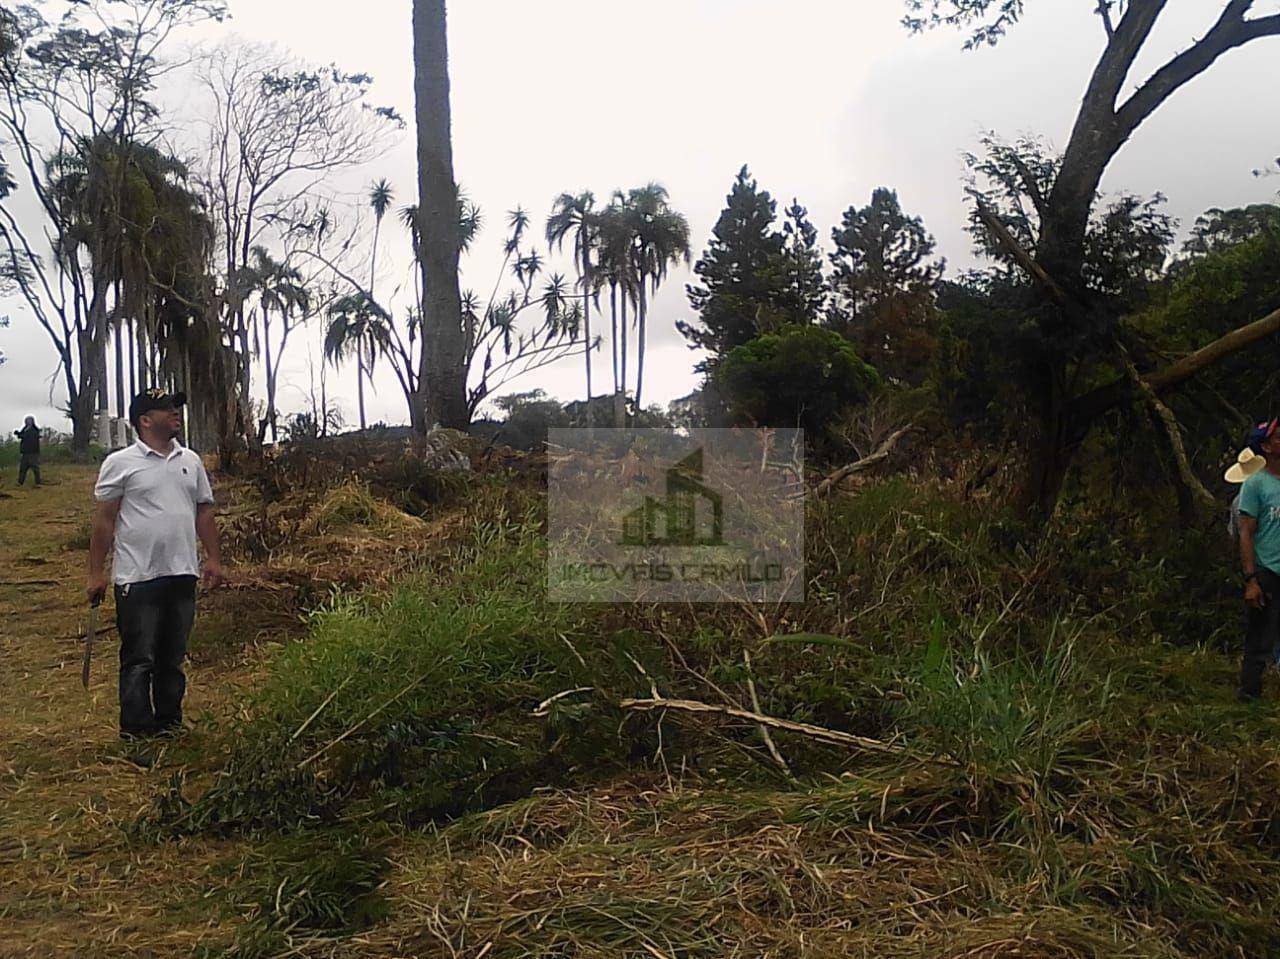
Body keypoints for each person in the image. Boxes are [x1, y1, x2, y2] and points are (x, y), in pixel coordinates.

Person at [87, 389, 224, 739]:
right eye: (167, 409)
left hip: (181, 572)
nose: (176, 413)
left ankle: (169, 722)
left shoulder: (190, 461)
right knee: (138, 658)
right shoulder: (120, 463)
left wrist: (212, 558)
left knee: (172, 658)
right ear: (145, 420)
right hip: (137, 575)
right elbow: (104, 520)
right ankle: (136, 730)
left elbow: (203, 510)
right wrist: (96, 573)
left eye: (176, 407)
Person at [1237, 418, 1280, 701]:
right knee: (1260, 639)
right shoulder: (1255, 485)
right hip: (1267, 572)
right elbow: (1246, 533)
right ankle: (1249, 697)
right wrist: (1251, 579)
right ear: (1266, 447)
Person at [14, 416, 41, 486]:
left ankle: (38, 482)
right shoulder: (25, 429)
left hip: (32, 452)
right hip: (25, 452)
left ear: (32, 421)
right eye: (27, 420)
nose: (28, 421)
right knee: (23, 468)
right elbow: (22, 436)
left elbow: (27, 436)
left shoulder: (34, 430)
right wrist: (18, 433)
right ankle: (20, 482)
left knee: (35, 468)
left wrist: (20, 435)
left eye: (30, 420)